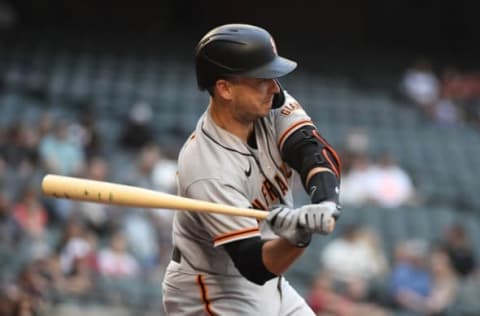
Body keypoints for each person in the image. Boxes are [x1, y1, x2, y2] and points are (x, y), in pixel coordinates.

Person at [162, 24, 342, 316]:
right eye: (262, 79)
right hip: (212, 288)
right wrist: (299, 237)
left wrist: (325, 202)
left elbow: (312, 150)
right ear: (225, 89)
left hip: (267, 281)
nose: (274, 86)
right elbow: (252, 264)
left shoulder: (271, 103)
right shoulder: (205, 164)